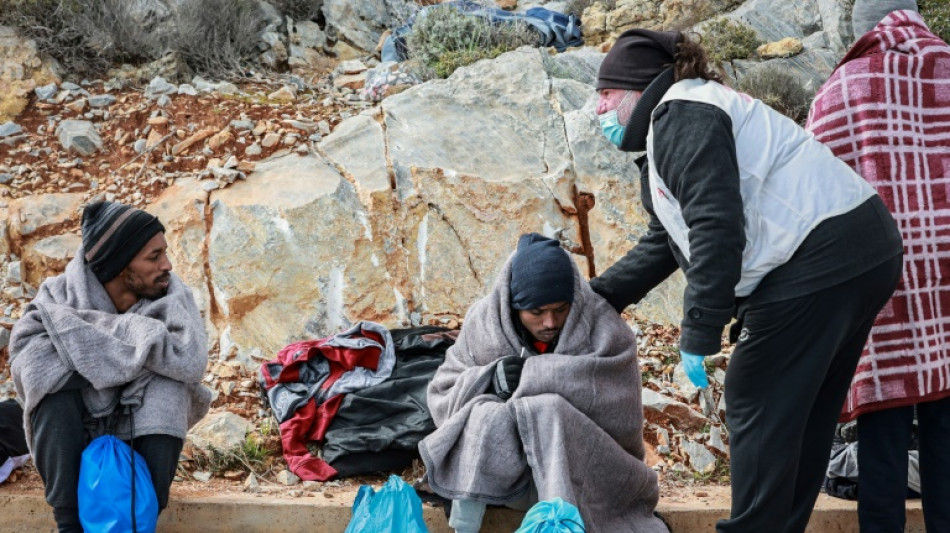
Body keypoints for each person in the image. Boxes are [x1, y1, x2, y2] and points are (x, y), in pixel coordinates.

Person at [589, 29, 904, 533]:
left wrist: (699, 331)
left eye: (605, 95)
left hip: (823, 255)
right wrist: (599, 298)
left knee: (754, 395)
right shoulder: (676, 124)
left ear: (636, 88)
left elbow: (717, 226)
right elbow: (665, 242)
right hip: (862, 250)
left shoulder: (683, 113)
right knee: (801, 411)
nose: (598, 109)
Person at [806, 2, 950, 531]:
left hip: (882, 279)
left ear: (862, 22)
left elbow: (813, 181)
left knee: (882, 433)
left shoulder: (845, 86)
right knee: (947, 428)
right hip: (947, 280)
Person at [419, 233, 668, 533]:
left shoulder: (603, 327)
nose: (549, 323)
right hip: (504, 483)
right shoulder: (484, 324)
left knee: (546, 409)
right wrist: (489, 379)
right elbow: (442, 392)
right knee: (483, 410)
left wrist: (529, 379)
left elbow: (619, 417)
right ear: (513, 305)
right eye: (536, 312)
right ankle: (463, 529)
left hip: (590, 484)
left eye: (560, 309)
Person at [10, 201, 212, 533]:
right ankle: (70, 526)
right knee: (50, 394)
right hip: (79, 422)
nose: (167, 265)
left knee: (171, 389)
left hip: (139, 417)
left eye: (164, 253)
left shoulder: (173, 300)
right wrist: (135, 348)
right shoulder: (58, 298)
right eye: (153, 257)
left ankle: (138, 523)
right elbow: (30, 362)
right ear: (119, 265)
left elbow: (188, 360)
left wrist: (93, 353)